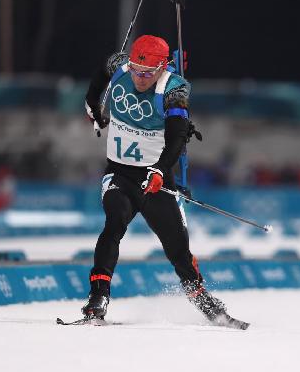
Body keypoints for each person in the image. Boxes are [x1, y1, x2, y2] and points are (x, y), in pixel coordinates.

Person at [83, 34, 247, 328]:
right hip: (119, 173)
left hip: (154, 176)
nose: (140, 78)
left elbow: (176, 138)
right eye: (136, 69)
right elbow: (101, 73)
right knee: (115, 221)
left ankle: (204, 301)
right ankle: (98, 297)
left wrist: (159, 170)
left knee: (178, 249)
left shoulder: (174, 90)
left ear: (162, 69)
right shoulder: (121, 66)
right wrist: (93, 107)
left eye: (147, 73)